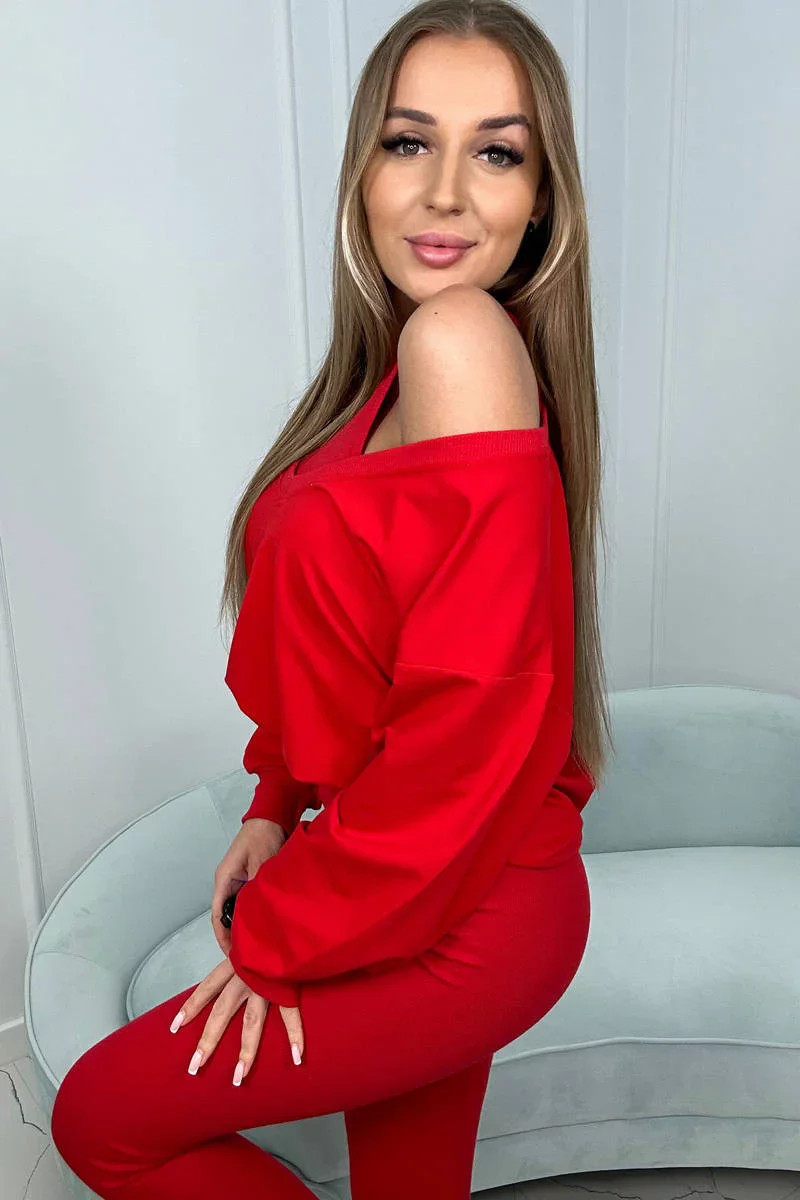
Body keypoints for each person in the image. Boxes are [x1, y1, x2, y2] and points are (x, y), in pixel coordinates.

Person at [50, 2, 612, 1196]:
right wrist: (277, 800)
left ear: (539, 200)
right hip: (429, 887)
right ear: (362, 170)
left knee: (104, 1121)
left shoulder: (458, 340)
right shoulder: (385, 378)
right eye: (409, 142)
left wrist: (279, 936)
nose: (445, 192)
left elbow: (472, 717)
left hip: (464, 913)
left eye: (496, 152)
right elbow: (358, 649)